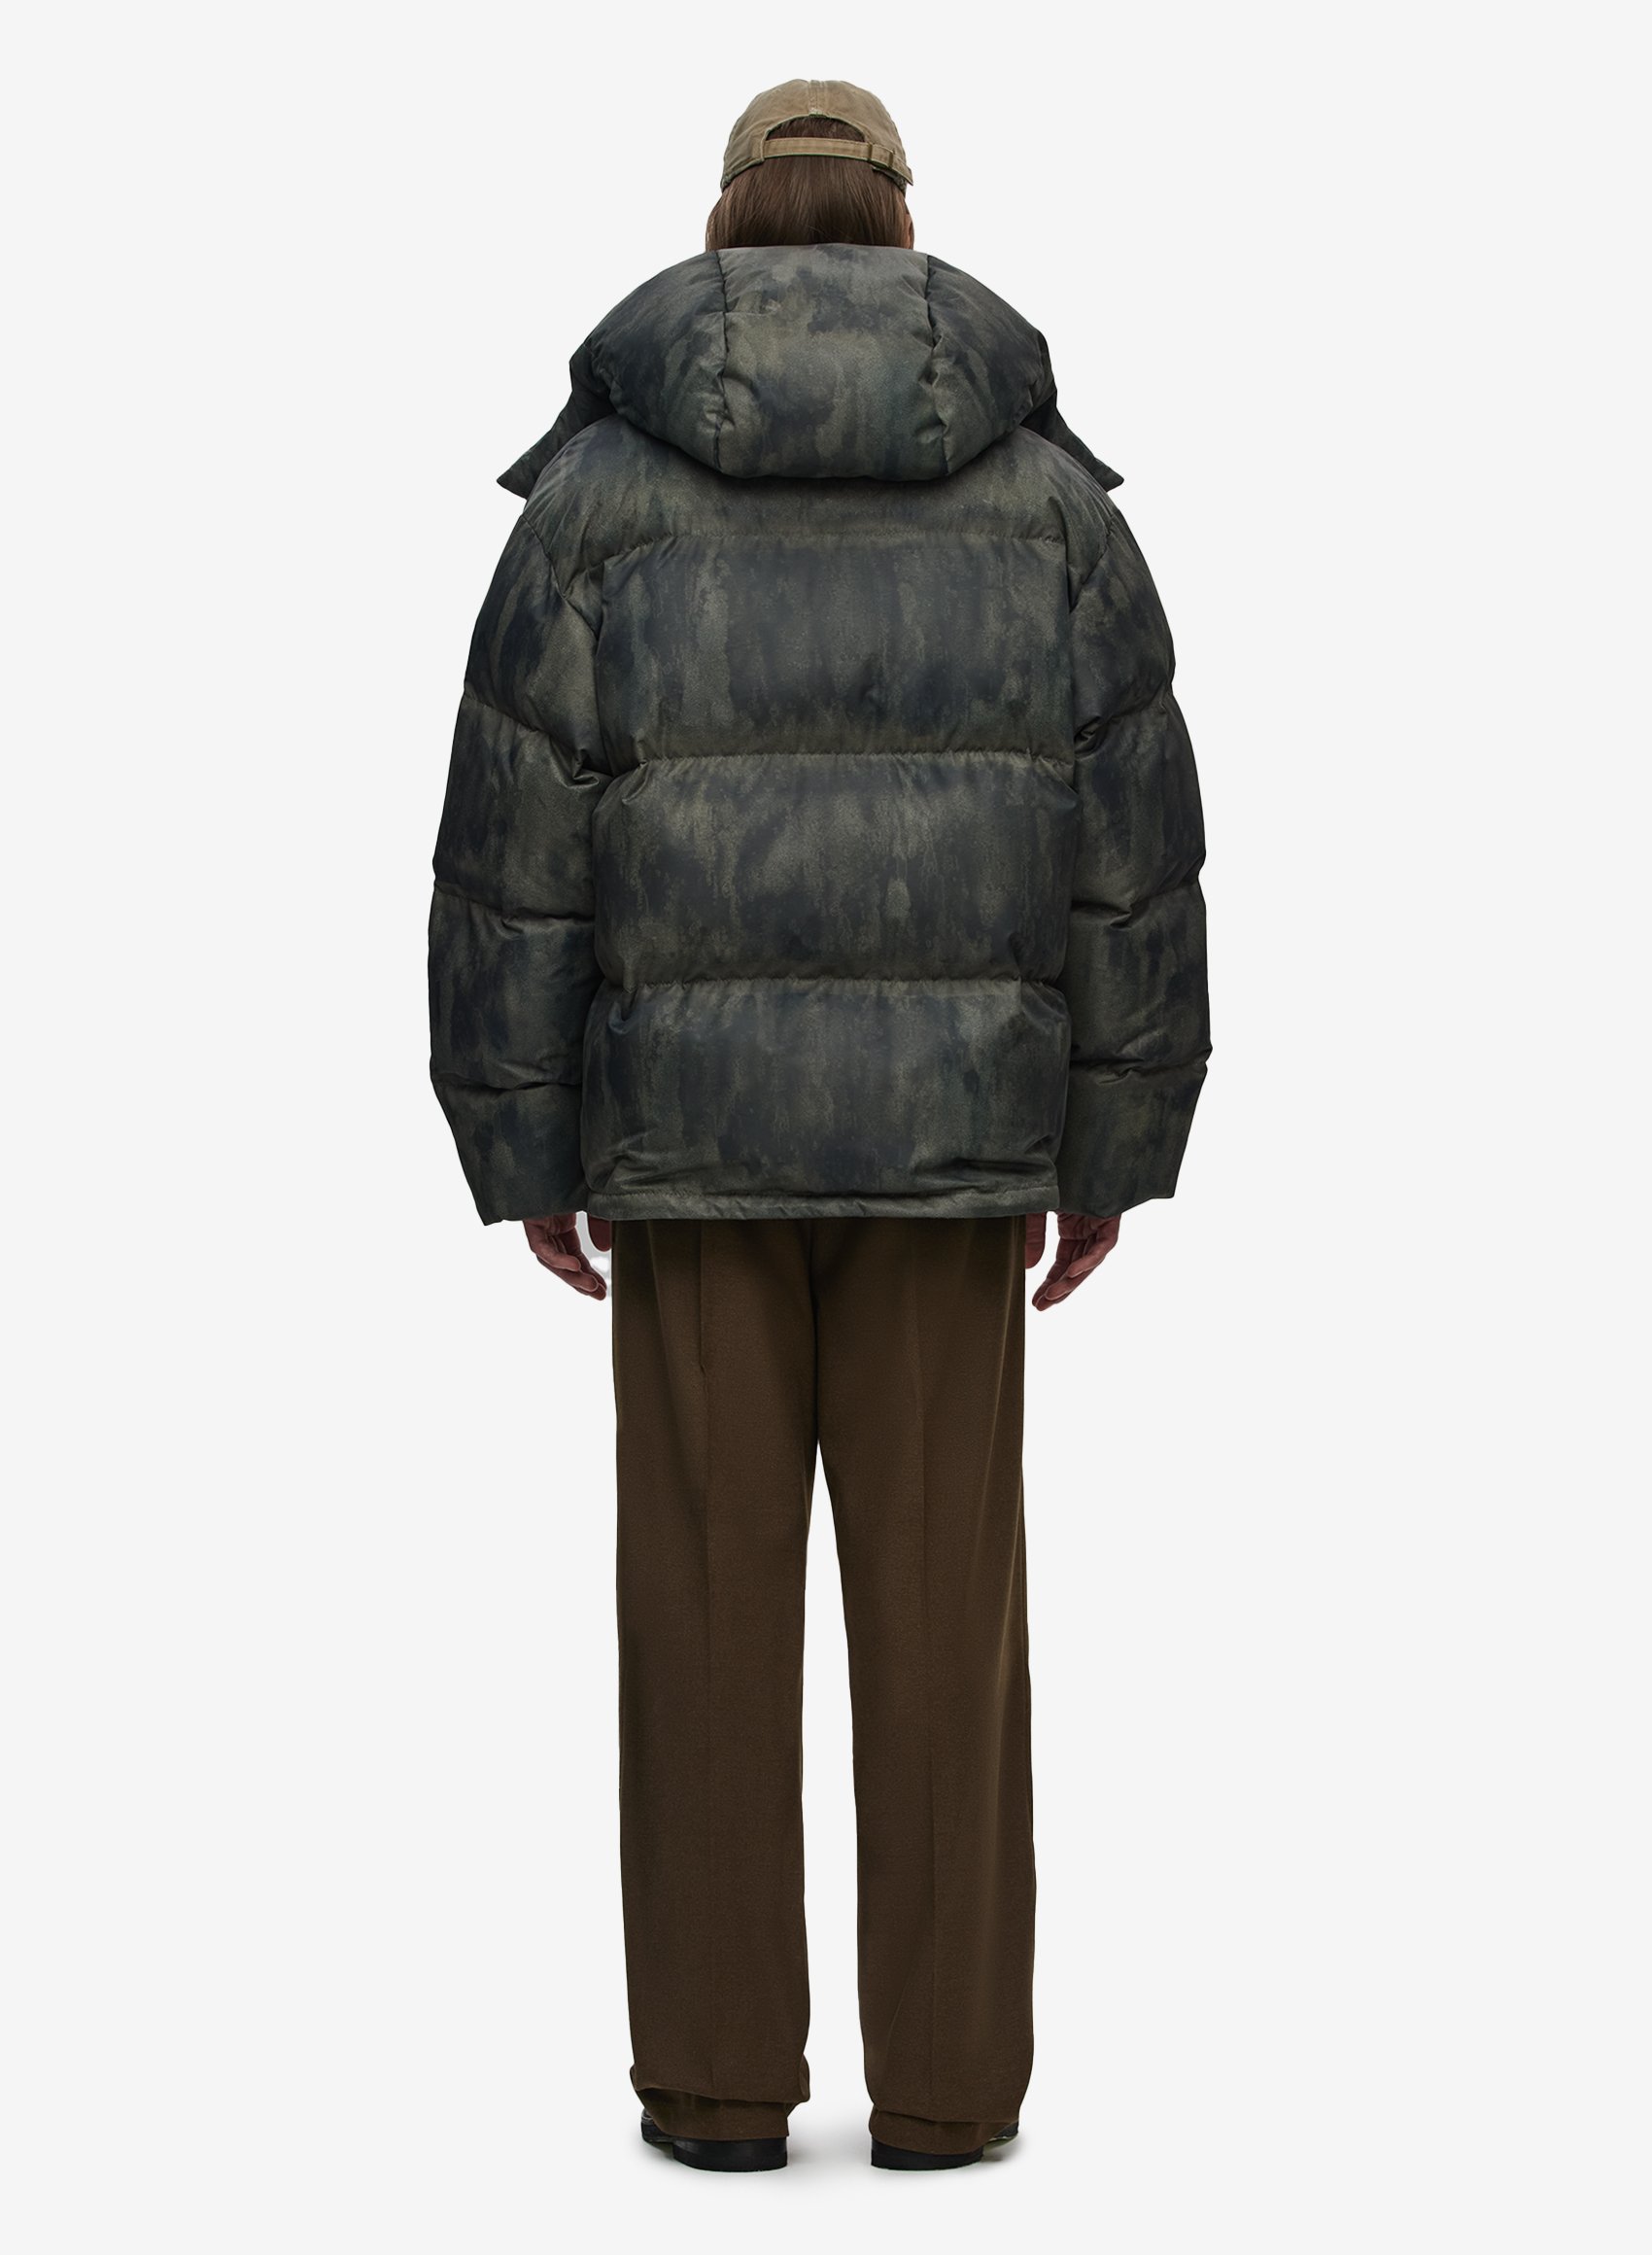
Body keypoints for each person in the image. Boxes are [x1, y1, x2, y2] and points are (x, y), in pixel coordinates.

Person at [429, 78, 1210, 2174]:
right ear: (900, 229)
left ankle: (714, 2086)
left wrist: (525, 1144)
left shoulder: (598, 499)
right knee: (949, 1625)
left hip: (686, 1152)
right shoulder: (1047, 504)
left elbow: (509, 844)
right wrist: (1111, 1148)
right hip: (956, 1151)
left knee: (698, 1615)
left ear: (727, 225)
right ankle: (946, 2092)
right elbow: (1132, 849)